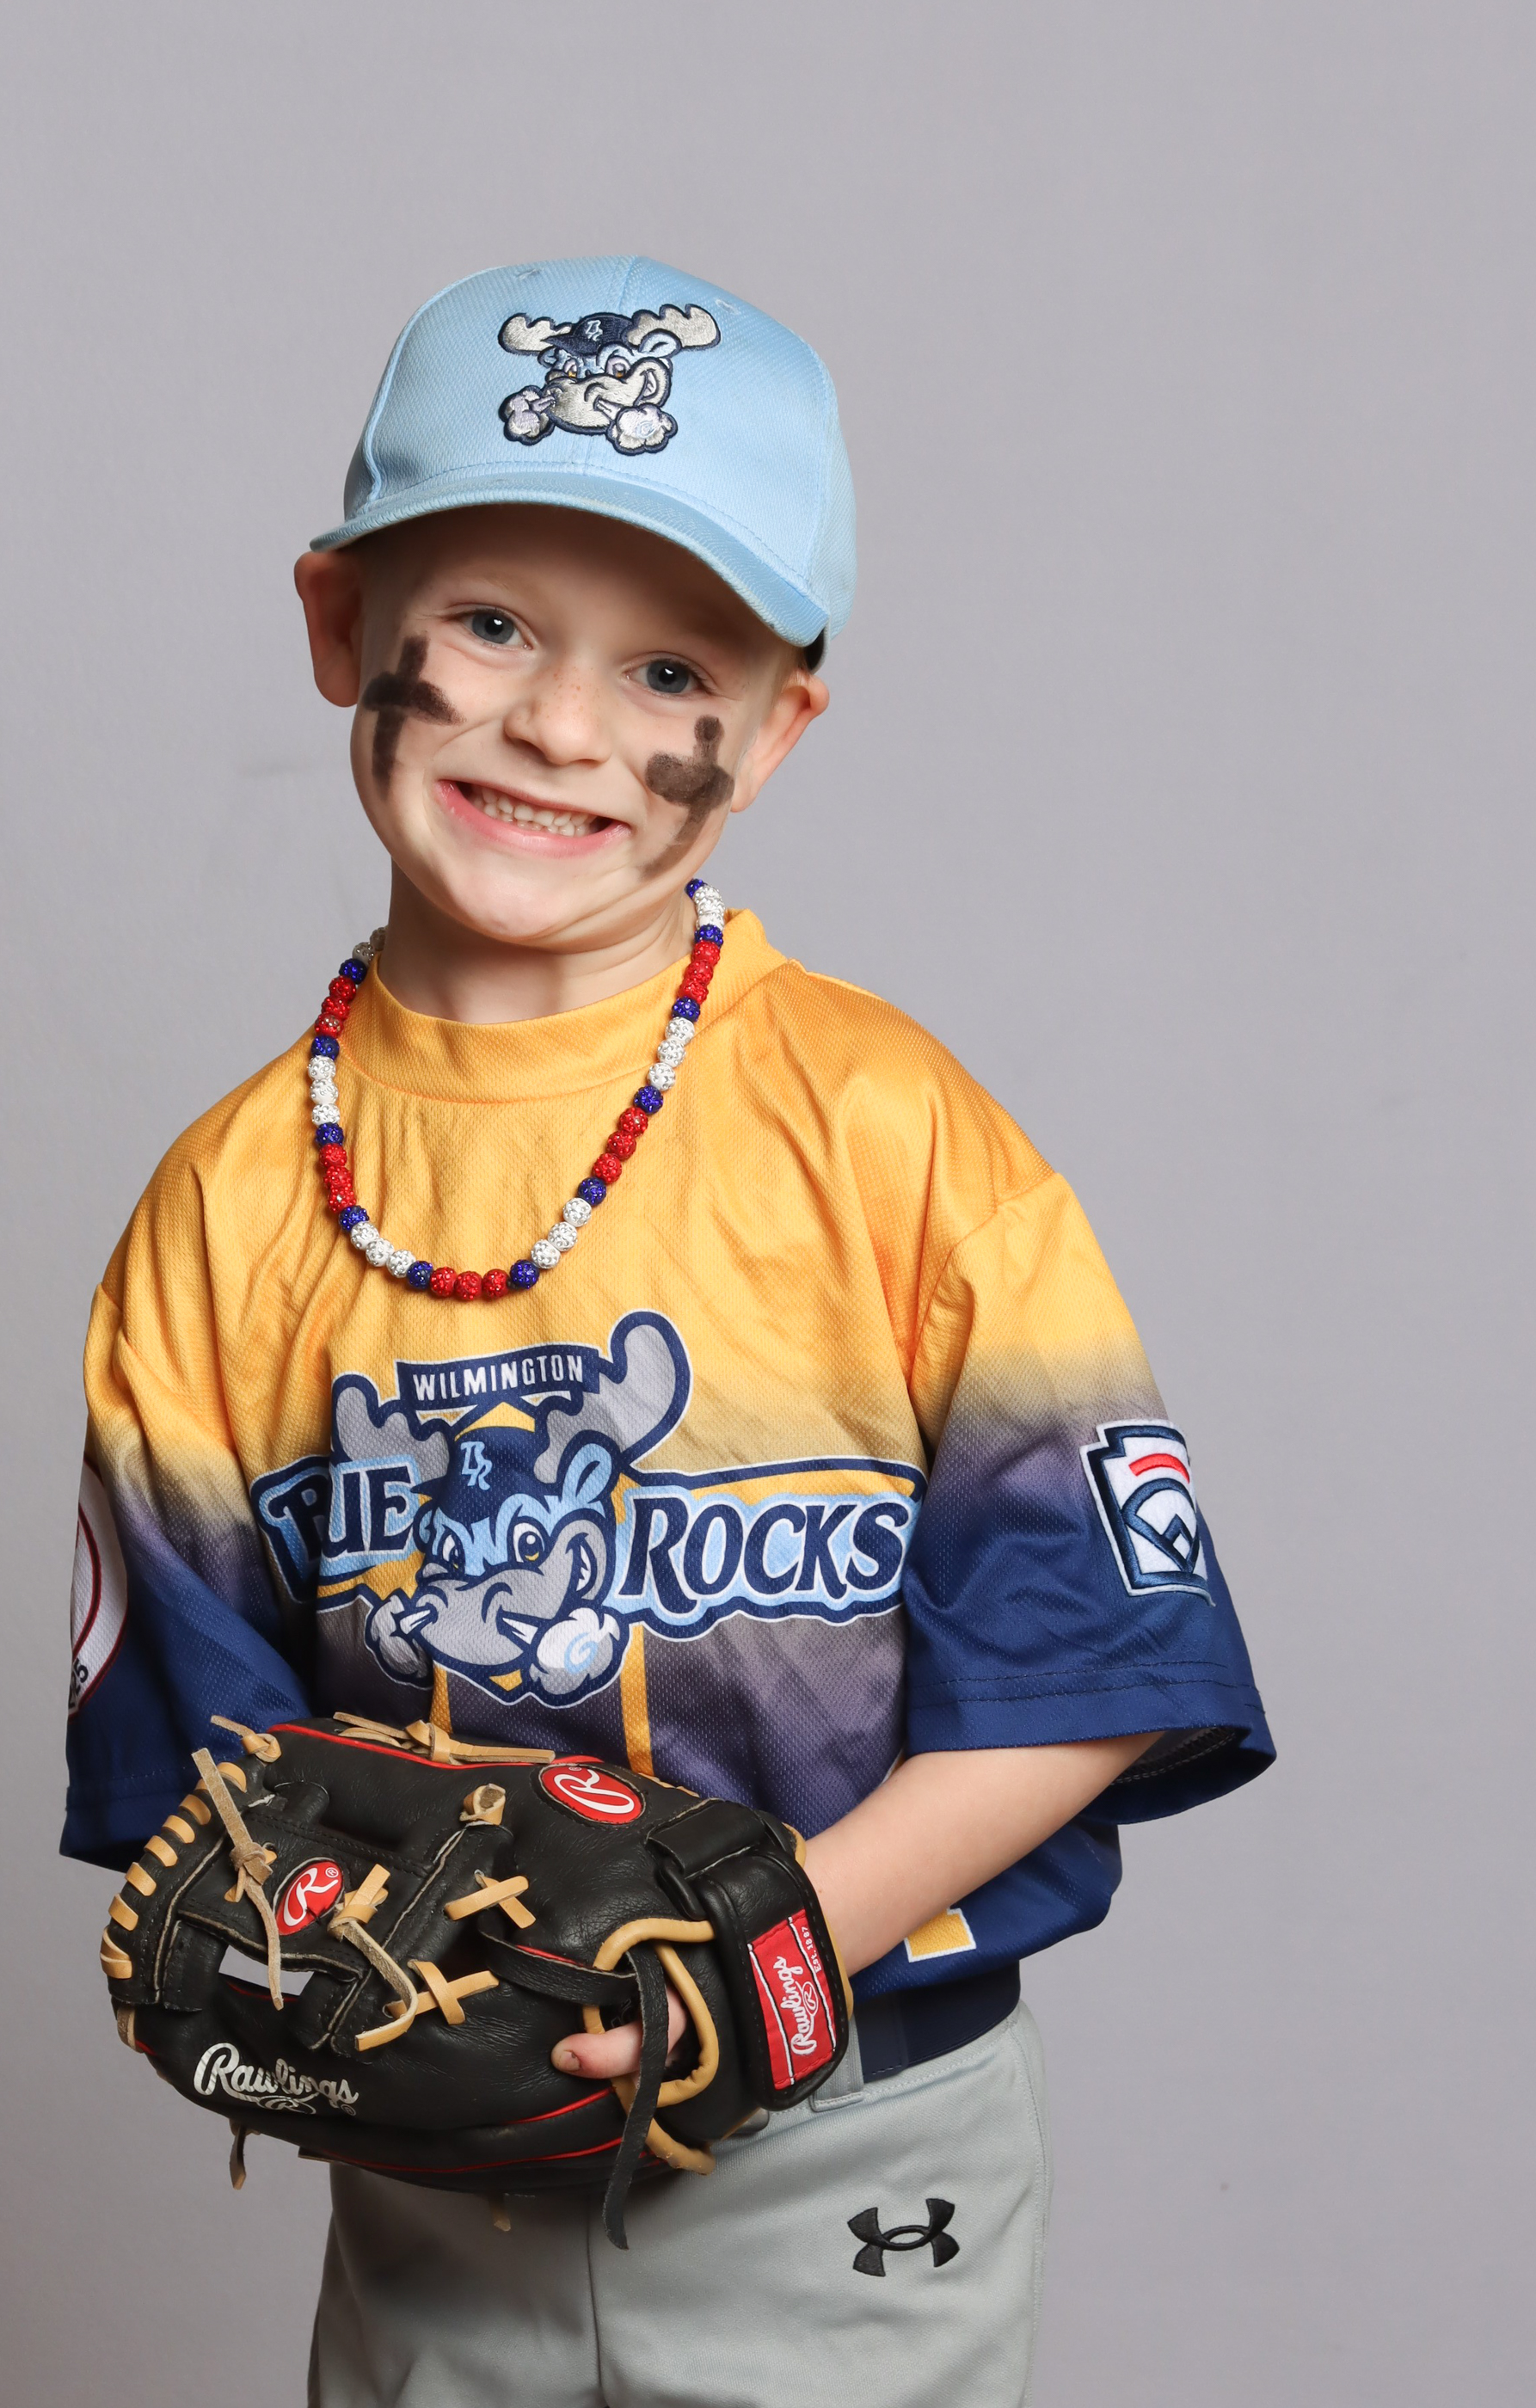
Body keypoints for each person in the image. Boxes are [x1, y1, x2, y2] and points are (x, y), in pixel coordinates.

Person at [63, 255, 1272, 2408]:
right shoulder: (229, 1205)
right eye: (490, 622)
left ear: (776, 727)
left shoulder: (884, 1124)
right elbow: (223, 1788)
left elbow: (1091, 1663)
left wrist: (760, 1935)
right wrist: (288, 1952)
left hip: (848, 2124)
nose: (561, 726)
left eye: (670, 665)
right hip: (436, 2160)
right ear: (339, 620)